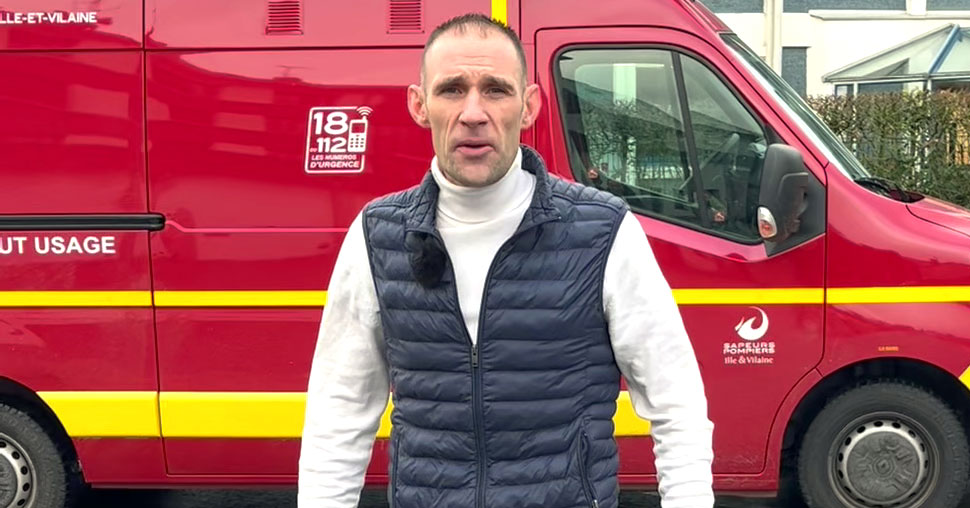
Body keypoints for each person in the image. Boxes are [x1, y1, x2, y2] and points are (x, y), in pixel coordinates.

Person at [297, 13, 714, 508]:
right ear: (419, 105)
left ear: (529, 104)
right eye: (452, 89)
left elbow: (676, 403)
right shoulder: (377, 236)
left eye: (495, 89)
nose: (474, 112)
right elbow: (339, 412)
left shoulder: (603, 232)